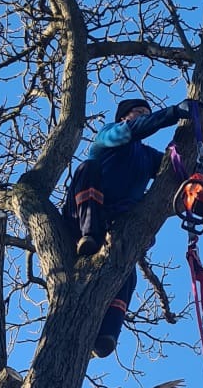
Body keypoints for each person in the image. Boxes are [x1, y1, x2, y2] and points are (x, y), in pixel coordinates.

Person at [63, 94, 195, 358]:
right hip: (82, 217)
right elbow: (134, 130)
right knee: (87, 168)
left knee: (127, 273)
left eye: (148, 112)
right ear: (124, 117)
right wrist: (172, 113)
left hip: (115, 226)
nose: (145, 116)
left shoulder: (146, 156)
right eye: (139, 112)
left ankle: (106, 336)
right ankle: (89, 235)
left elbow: (180, 169)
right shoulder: (108, 136)